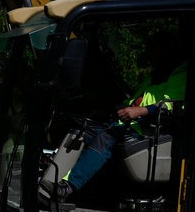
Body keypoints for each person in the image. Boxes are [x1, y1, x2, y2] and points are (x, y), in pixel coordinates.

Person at [48, 37, 187, 202]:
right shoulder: (158, 73)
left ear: (166, 50)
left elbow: (171, 104)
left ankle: (67, 187)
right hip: (134, 124)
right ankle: (61, 182)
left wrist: (140, 111)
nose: (148, 55)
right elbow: (138, 99)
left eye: (152, 50)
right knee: (86, 129)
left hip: (153, 128)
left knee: (106, 138)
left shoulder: (182, 72)